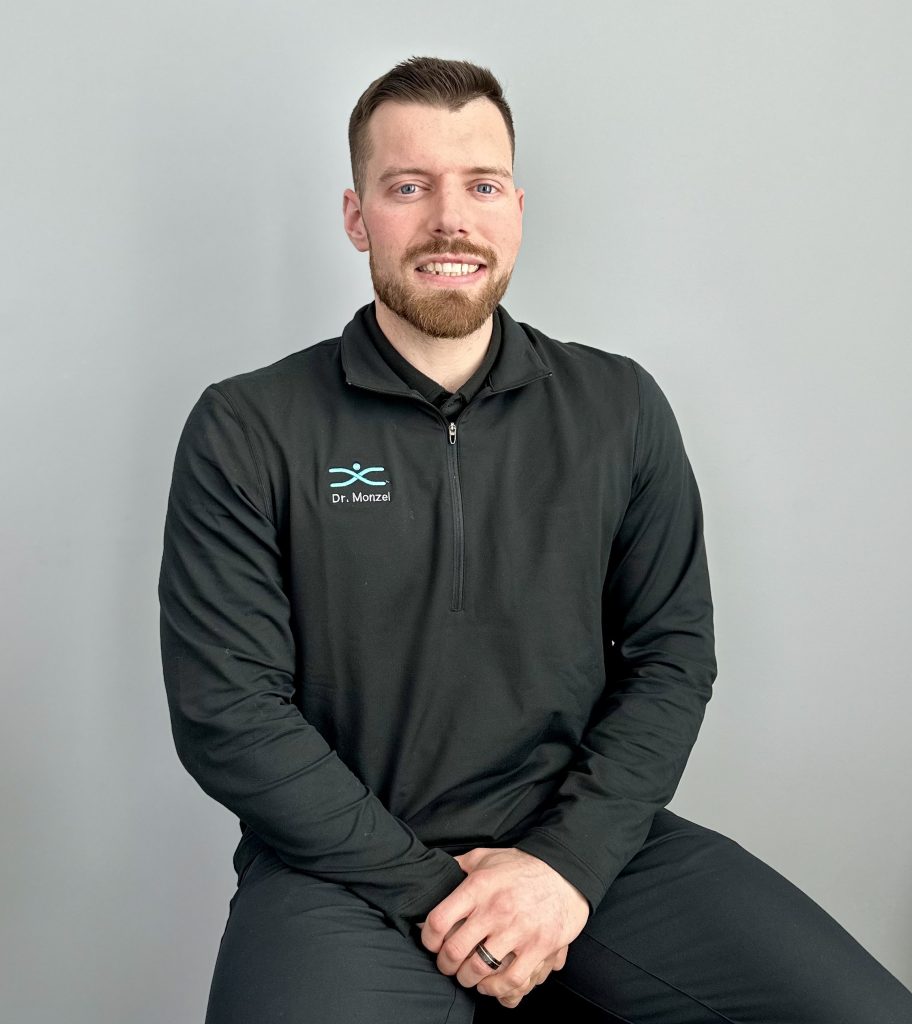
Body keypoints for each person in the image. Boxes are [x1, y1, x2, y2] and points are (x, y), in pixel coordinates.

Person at [158, 57, 912, 1023]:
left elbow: (672, 658)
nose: (450, 220)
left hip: (581, 848)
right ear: (356, 217)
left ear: (516, 209)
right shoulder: (249, 425)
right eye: (408, 187)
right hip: (336, 869)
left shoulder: (618, 406)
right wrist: (443, 897)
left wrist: (561, 871)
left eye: (480, 185)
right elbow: (229, 712)